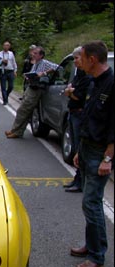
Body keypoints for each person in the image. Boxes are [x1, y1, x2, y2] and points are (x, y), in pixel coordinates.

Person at [70, 40, 113, 267]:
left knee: (91, 202)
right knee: (89, 202)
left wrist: (108, 158)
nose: (80, 61)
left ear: (92, 60)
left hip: (100, 152)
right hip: (87, 147)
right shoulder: (94, 82)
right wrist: (78, 151)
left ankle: (97, 255)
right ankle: (91, 245)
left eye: (82, 57)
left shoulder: (111, 84)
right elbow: (88, 118)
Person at [4, 46, 58, 139]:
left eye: (36, 53)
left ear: (41, 55)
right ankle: (17, 131)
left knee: (23, 110)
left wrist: (44, 73)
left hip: (36, 89)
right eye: (33, 53)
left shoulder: (44, 63)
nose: (33, 55)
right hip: (31, 87)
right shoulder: (35, 63)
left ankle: (15, 131)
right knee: (25, 111)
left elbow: (57, 67)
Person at [62, 46, 93, 193]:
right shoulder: (79, 73)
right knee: (75, 147)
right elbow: (71, 88)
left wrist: (70, 92)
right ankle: (77, 178)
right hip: (73, 112)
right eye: (74, 58)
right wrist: (70, 91)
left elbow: (78, 95)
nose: (75, 61)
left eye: (77, 58)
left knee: (80, 148)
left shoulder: (87, 76)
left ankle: (81, 181)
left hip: (80, 114)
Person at [0, 41, 18, 105]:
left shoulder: (11, 53)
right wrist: (2, 61)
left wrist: (15, 70)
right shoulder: (0, 53)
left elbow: (14, 62)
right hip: (3, 71)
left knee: (11, 86)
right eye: (5, 45)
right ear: (3, 46)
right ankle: (5, 100)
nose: (6, 46)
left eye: (7, 45)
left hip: (10, 71)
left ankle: (6, 94)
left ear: (9, 47)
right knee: (3, 87)